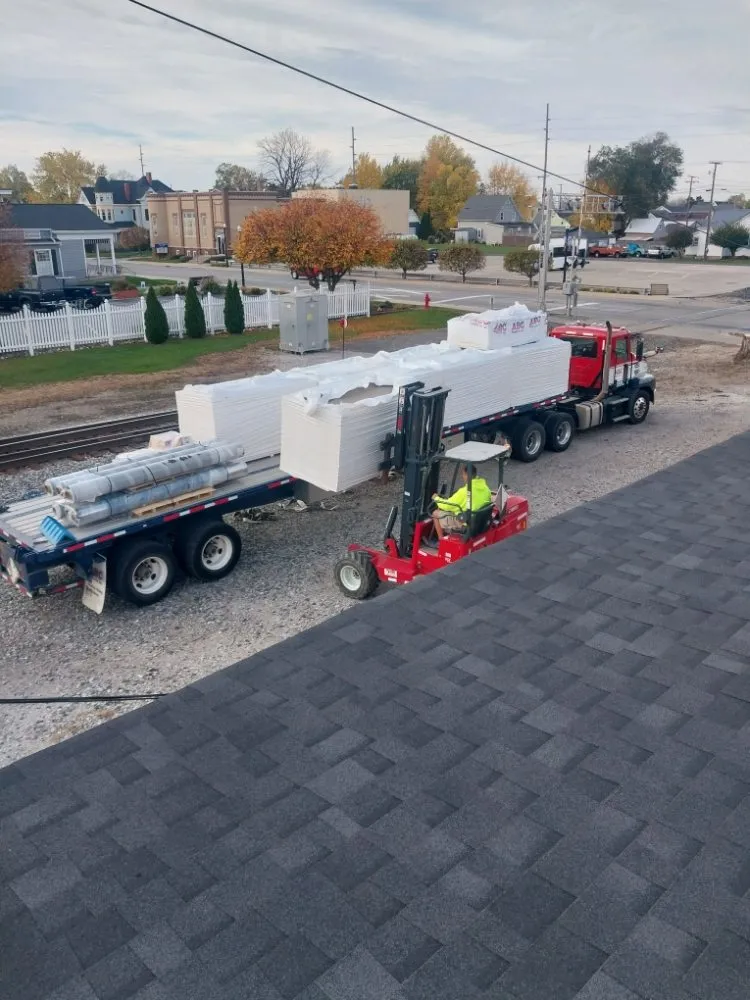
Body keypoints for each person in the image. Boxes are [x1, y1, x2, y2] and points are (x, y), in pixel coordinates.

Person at [431, 463, 492, 540]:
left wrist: (436, 498)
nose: (462, 477)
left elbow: (447, 506)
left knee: (435, 513)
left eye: (463, 474)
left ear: (466, 475)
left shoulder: (464, 492)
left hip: (466, 522)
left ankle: (441, 540)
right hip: (479, 520)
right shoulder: (485, 488)